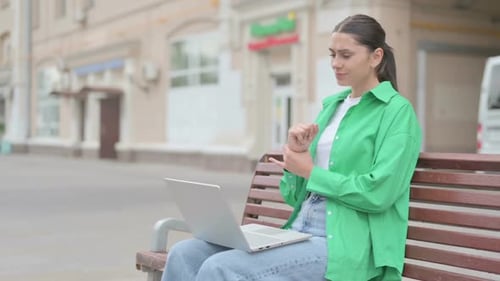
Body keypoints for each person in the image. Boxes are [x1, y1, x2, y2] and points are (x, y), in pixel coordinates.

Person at [161, 14, 421, 281]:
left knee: (222, 267)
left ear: (376, 57)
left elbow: (380, 193)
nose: (335, 64)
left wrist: (311, 172)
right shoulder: (333, 107)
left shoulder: (396, 112)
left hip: (346, 245)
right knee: (184, 253)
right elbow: (293, 196)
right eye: (332, 54)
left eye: (346, 55)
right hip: (301, 230)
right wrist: (297, 157)